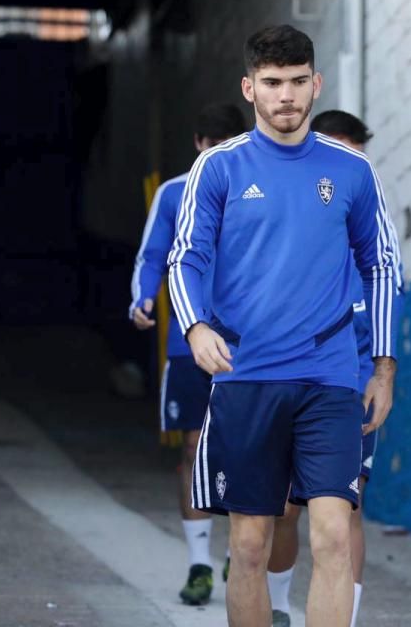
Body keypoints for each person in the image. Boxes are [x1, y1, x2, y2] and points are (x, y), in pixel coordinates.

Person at [168, 25, 402, 627]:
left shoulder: (351, 170)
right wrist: (195, 327)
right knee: (249, 544)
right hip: (247, 376)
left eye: (298, 82)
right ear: (250, 88)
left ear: (316, 83)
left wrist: (381, 364)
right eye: (272, 83)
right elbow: (186, 256)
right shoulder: (218, 168)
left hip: (329, 379)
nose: (286, 96)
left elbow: (379, 264)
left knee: (331, 534)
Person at [266, 110, 387, 627]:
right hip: (284, 379)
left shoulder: (373, 224)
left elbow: (387, 289)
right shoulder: (291, 212)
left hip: (349, 387)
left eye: (354, 152)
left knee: (344, 514)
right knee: (284, 510)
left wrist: (383, 372)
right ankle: (274, 605)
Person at [130, 101, 247, 606]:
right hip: (188, 345)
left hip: (252, 346)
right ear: (198, 145)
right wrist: (141, 296)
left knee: (248, 451)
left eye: (226, 147)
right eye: (210, 146)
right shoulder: (174, 193)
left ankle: (242, 549)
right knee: (194, 449)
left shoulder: (255, 190)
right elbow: (153, 252)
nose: (216, 155)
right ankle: (200, 563)